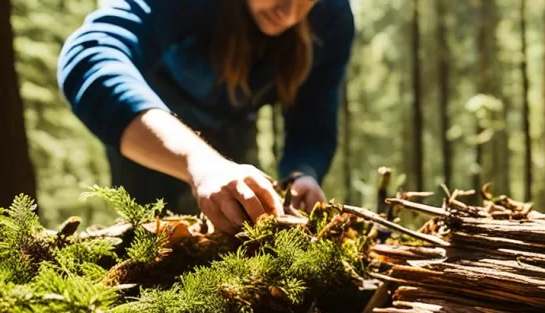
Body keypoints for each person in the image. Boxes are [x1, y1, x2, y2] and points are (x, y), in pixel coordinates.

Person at [58, 0, 354, 232]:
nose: (289, 14)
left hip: (232, 130)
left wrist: (301, 173)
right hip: (155, 132)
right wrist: (198, 162)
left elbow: (313, 125)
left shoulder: (332, 18)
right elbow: (90, 56)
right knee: (151, 251)